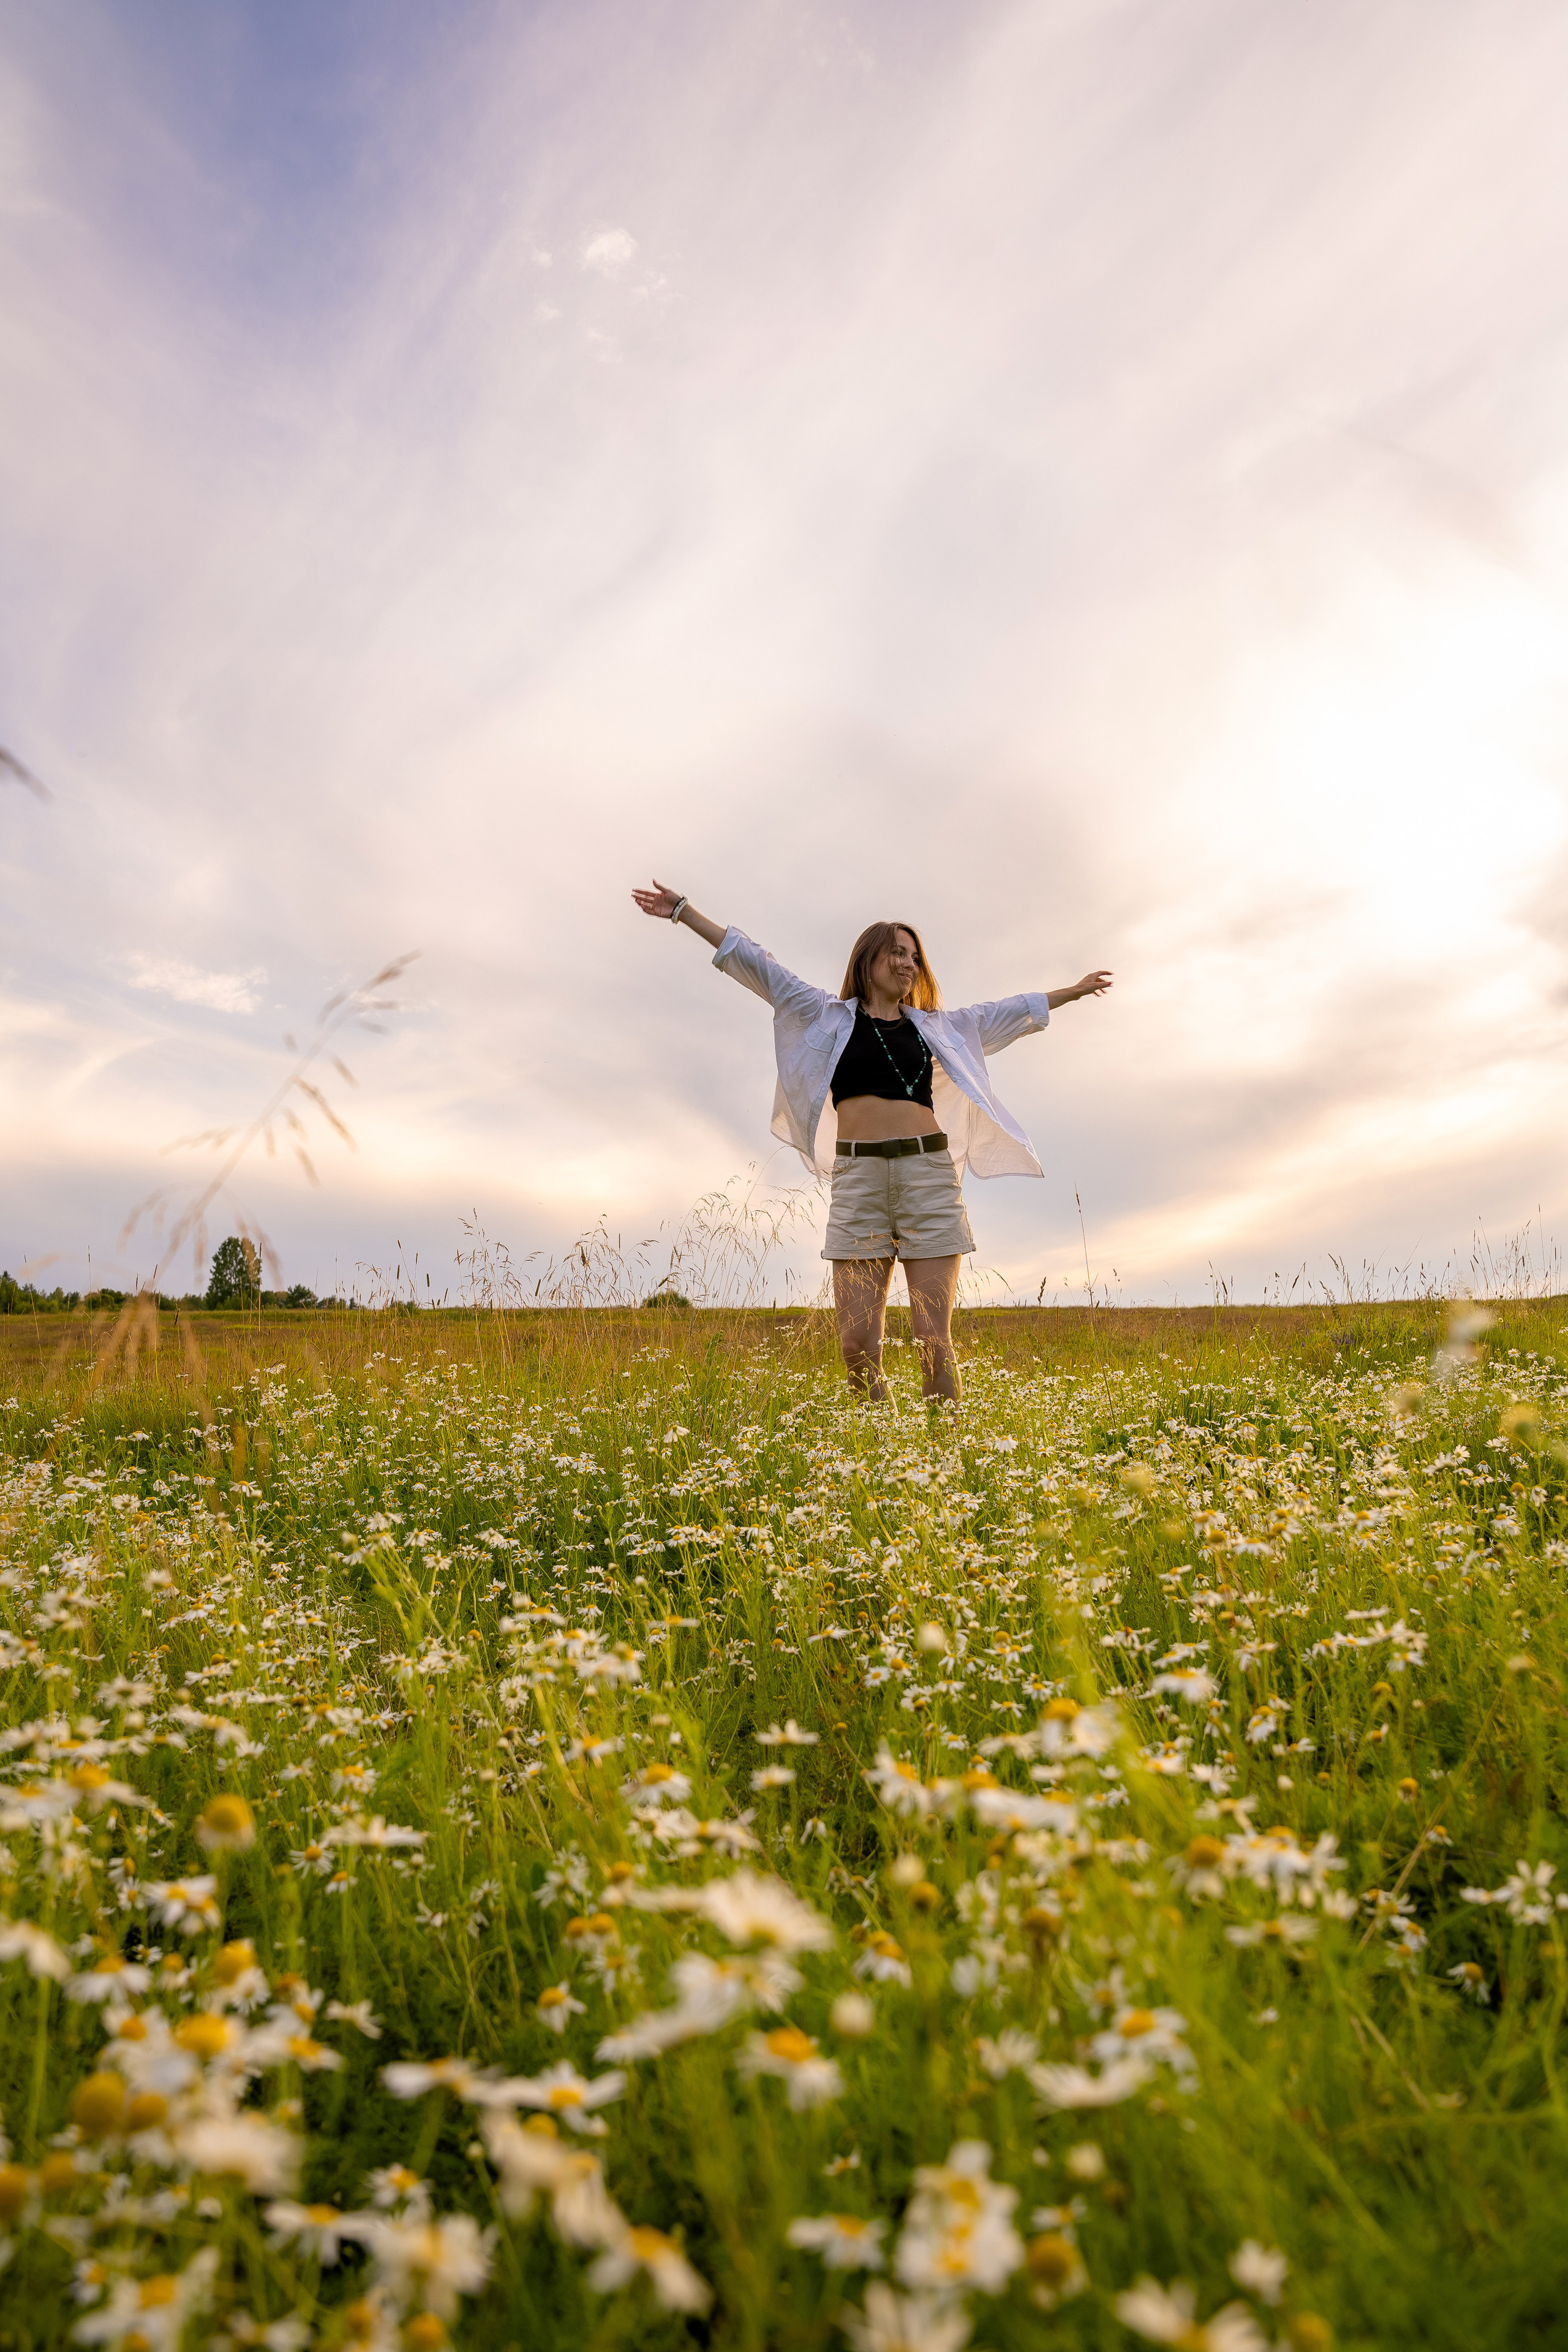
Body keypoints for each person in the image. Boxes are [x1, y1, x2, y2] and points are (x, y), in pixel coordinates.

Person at [631, 882, 1110, 1405]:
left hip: (927, 1177)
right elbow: (757, 965)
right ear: (869, 959)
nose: (908, 964)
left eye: (914, 957)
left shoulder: (937, 1029)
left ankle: (946, 1461)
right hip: (858, 1181)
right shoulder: (825, 1016)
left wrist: (1073, 990)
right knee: (857, 1345)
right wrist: (683, 912)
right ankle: (881, 1461)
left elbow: (1010, 1010)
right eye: (897, 953)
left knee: (933, 1340)